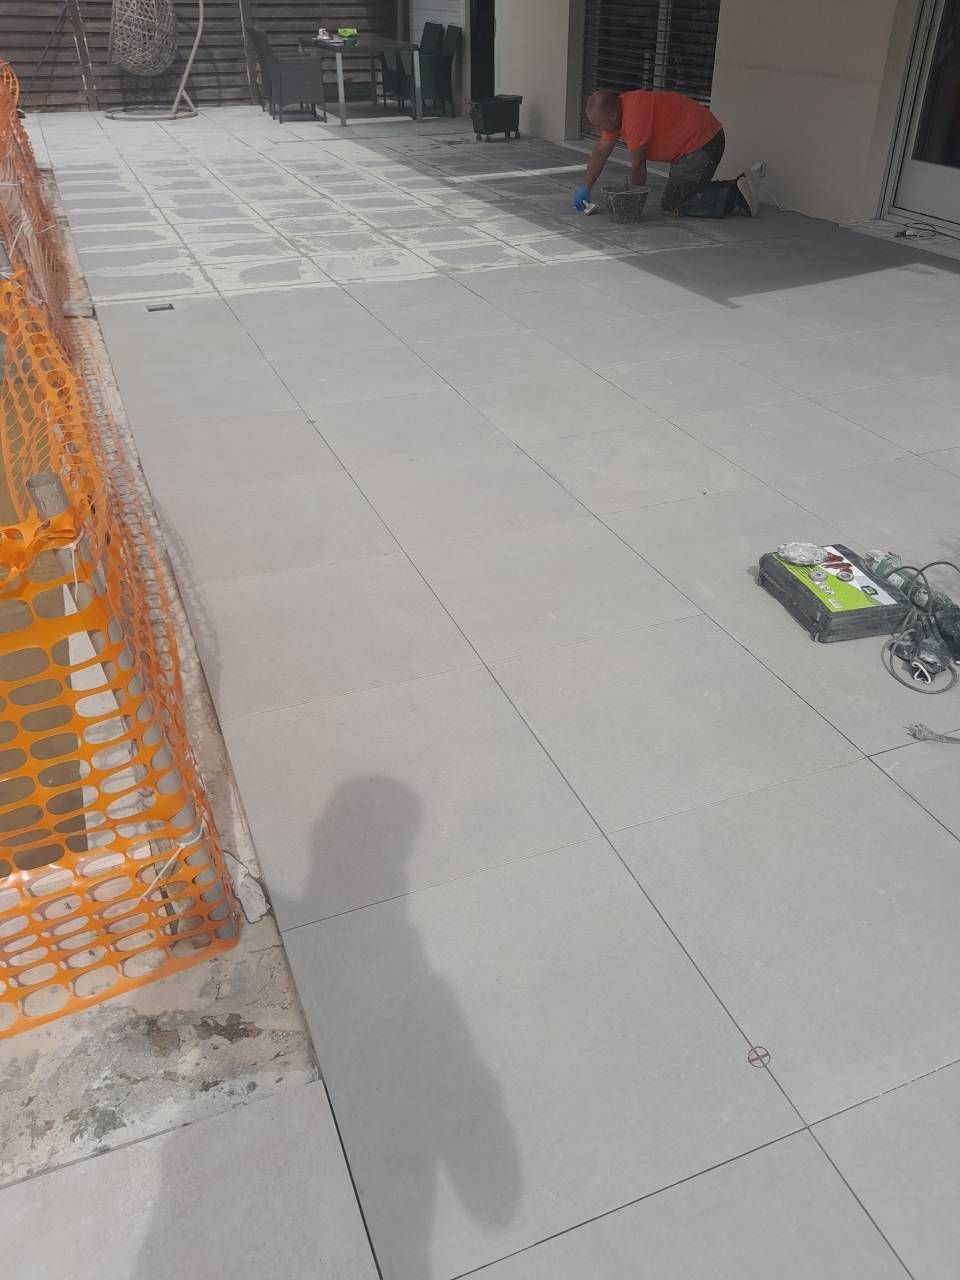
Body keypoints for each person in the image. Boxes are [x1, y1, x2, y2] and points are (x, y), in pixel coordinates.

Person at [575, 88, 759, 218]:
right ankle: (739, 186)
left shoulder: (633, 117)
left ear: (611, 116)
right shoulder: (617, 111)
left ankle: (736, 195)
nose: (598, 129)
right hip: (697, 143)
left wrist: (633, 202)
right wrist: (585, 186)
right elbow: (601, 151)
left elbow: (638, 165)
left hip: (703, 144)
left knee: (673, 204)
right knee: (682, 191)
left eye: (598, 125)